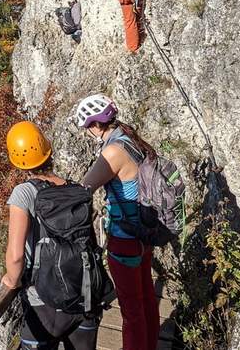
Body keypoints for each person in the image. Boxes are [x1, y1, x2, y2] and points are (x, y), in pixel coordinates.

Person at [1, 120, 102, 350]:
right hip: (83, 298)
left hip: (44, 304)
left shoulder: (24, 192)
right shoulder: (75, 189)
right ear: (48, 151)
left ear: (18, 162)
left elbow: (16, 256)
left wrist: (11, 280)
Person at [75, 94, 160, 350]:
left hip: (124, 239)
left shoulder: (112, 151)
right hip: (144, 233)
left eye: (87, 127)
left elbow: (84, 190)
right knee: (146, 301)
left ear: (95, 125)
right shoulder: (130, 138)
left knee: (131, 312)